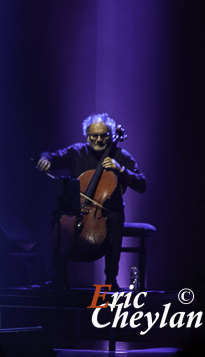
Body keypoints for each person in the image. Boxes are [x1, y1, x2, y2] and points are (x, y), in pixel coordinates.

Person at [37, 113, 147, 290]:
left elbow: (142, 184)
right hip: (78, 207)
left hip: (108, 210)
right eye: (93, 135)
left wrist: (121, 169)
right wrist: (45, 159)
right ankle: (60, 276)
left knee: (116, 218)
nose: (98, 139)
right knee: (57, 217)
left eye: (103, 135)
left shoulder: (120, 155)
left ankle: (111, 279)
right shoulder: (76, 151)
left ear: (110, 136)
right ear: (87, 135)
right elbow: (51, 155)